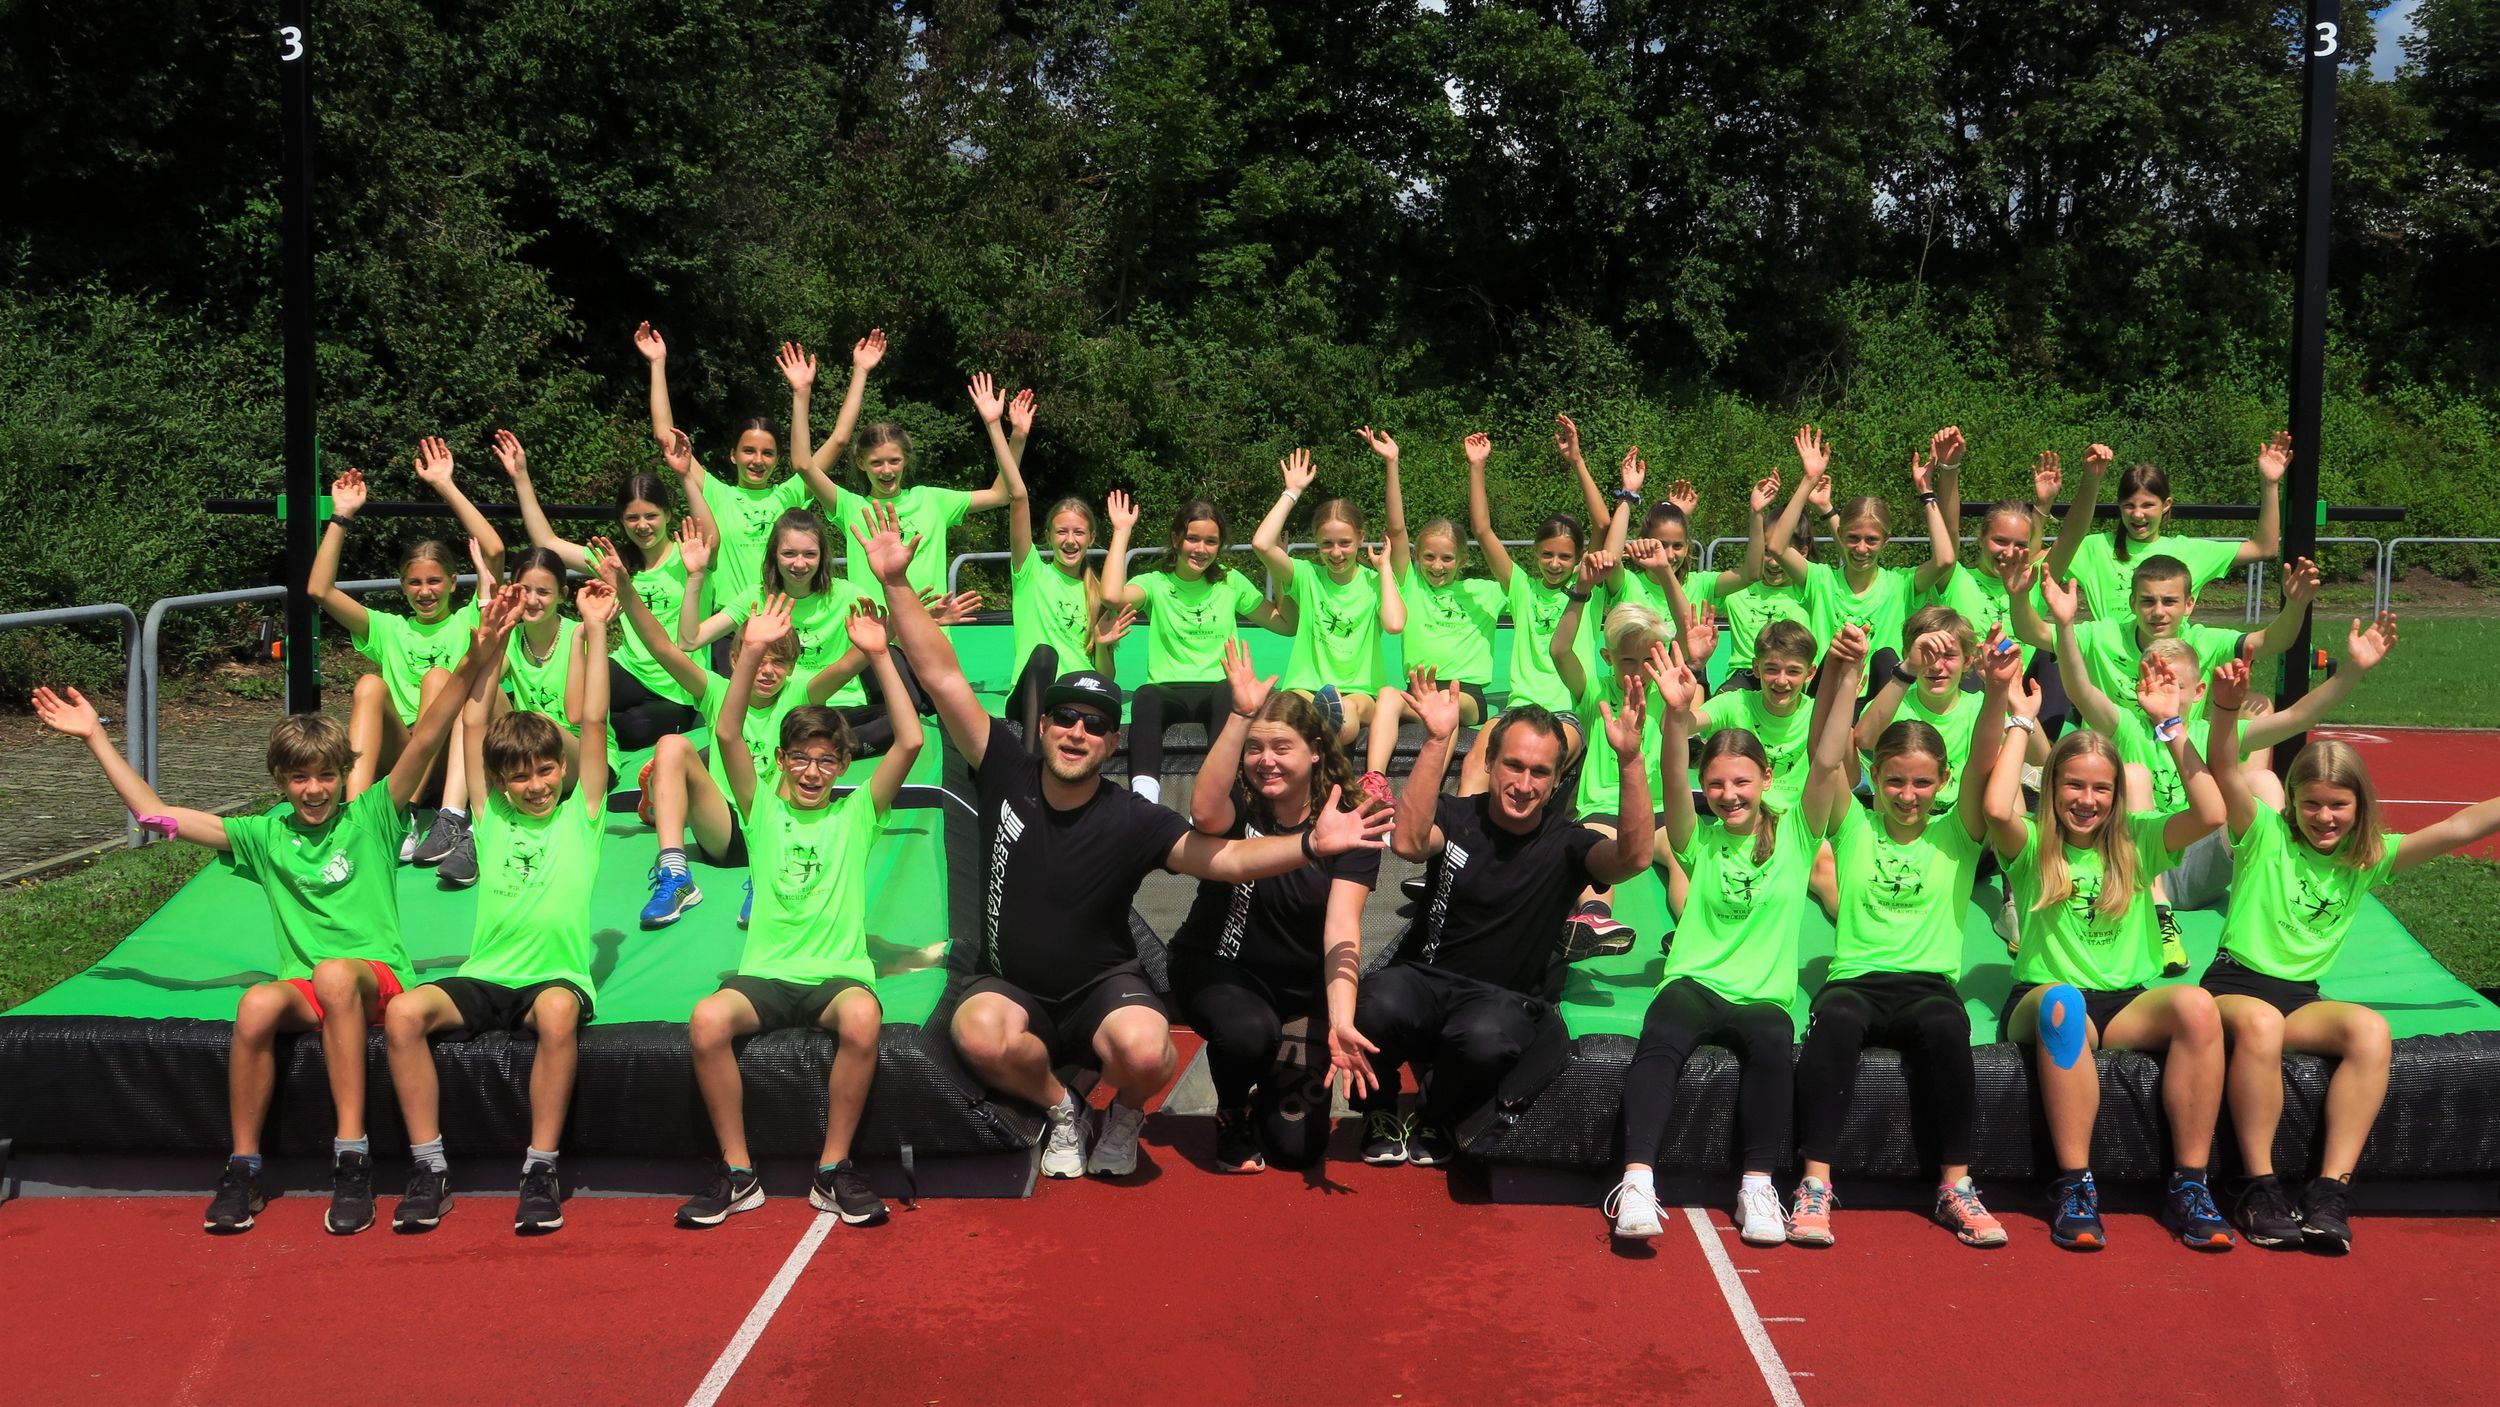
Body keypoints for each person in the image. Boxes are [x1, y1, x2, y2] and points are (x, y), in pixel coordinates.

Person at [865, 502, 1393, 1182]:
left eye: (1094, 723)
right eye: (1065, 717)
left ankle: (1124, 1113)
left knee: (1149, 1052)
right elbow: (941, 674)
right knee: (977, 1034)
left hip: (1100, 988)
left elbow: (1226, 859)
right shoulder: (1004, 767)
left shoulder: (1132, 816)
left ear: (1113, 742)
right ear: (1043, 725)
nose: (1077, 731)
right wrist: (896, 584)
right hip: (1011, 984)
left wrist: (1312, 846)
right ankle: (1064, 1107)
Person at [34, 587, 524, 1235]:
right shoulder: (266, 835)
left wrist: (476, 656)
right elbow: (154, 815)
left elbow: (431, 731)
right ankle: (244, 1167)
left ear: (343, 774)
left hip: (373, 979)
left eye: (325, 776)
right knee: (257, 1004)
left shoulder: (374, 815)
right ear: (280, 783)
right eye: (298, 779)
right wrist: (95, 736)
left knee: (333, 974)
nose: (313, 790)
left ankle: (351, 1157)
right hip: (311, 989)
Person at [674, 589, 926, 1229]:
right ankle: (738, 1172)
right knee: (706, 1020)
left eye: (826, 760)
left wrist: (880, 655)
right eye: (802, 759)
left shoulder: (857, 813)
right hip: (766, 973)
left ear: (842, 764)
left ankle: (833, 1169)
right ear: (782, 762)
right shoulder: (760, 810)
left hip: (835, 975)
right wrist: (751, 649)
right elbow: (726, 731)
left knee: (863, 1017)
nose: (813, 772)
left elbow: (910, 740)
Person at [2205, 721, 2500, 1254]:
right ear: (2293, 802)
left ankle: (2328, 1191)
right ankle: (2257, 1186)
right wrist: (2226, 708)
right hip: (2233, 986)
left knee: (2369, 1029)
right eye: (2312, 804)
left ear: (2359, 805)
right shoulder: (2263, 833)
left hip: (2299, 997)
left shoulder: (2365, 859)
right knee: (2261, 1023)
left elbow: (2458, 828)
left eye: (2338, 804)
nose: (2325, 816)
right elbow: (2224, 766)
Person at [382, 577, 617, 1235]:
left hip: (552, 978)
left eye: (545, 771)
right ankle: (429, 1166)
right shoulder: (489, 817)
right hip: (487, 974)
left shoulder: (582, 815)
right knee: (403, 1013)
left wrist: (595, 630)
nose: (536, 784)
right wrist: (496, 638)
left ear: (561, 771)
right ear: (501, 782)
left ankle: (540, 1168)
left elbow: (593, 723)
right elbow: (475, 721)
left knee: (560, 1012)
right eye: (520, 775)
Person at [1983, 653, 2236, 1251]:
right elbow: (1995, 807)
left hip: (2123, 1004)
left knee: (2199, 1006)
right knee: (2065, 1003)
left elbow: (2212, 812)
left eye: (2101, 788)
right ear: (2052, 788)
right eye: (2073, 784)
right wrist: (2020, 720)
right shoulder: (2033, 845)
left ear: (2118, 795)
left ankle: (2190, 1185)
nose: (2086, 799)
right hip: (2043, 998)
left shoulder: (2139, 840)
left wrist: (2171, 727)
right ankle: (2075, 1186)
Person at [1358, 670, 1655, 1169]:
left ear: (1557, 780)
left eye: (1539, 772)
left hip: (1501, 1002)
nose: (1523, 784)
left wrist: (1630, 761)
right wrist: (1437, 741)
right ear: (1490, 763)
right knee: (1373, 1002)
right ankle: (1380, 1110)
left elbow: (1634, 858)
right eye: (1513, 765)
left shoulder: (1568, 843)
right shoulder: (1457, 817)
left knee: (1486, 1037)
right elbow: (1408, 843)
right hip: (1426, 981)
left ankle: (1434, 1112)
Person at [1606, 640, 1843, 1246]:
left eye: (1741, 781)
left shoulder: (1798, 834)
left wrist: (1844, 680)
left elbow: (1826, 761)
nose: (1728, 794)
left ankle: (1756, 1186)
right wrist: (1675, 717)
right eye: (1715, 785)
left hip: (1762, 995)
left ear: (1767, 779)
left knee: (1773, 1045)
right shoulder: (1699, 839)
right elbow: (1671, 776)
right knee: (1660, 1035)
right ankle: (1637, 1180)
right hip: (1695, 981)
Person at [1786, 625, 2014, 1249]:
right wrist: (1849, 678)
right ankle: (1814, 1184)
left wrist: (1996, 692)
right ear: (1876, 779)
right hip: (1856, 981)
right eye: (1894, 782)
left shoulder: (1956, 833)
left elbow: (1986, 761)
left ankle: (1956, 1187)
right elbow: (1827, 756)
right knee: (1833, 1024)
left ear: (1942, 781)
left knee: (1947, 1028)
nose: (1908, 795)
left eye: (1921, 783)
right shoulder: (1854, 827)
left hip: (1926, 985)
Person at [604, 531, 897, 929]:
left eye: (779, 662)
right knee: (671, 744)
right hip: (723, 828)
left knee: (797, 756)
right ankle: (675, 874)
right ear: (736, 658)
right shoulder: (715, 690)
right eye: (759, 658)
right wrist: (624, 587)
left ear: (792, 668)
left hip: (777, 829)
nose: (768, 670)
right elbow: (663, 647)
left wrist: (893, 611)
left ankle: (766, 877)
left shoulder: (801, 691)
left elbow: (853, 661)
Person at [1170, 640, 1383, 1173]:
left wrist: (1339, 1021)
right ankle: (1232, 1109)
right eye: (1255, 749)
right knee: (1248, 1033)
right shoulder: (1240, 805)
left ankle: (1272, 1068)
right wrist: (1241, 715)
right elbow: (1203, 813)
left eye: (1282, 747)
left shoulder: (1349, 820)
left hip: (1299, 993)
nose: (1266, 761)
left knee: (1297, 1150)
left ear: (1315, 750)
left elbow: (1342, 925)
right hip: (1219, 970)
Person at [308, 444, 507, 880]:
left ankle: (411, 815)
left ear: (453, 582)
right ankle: (356, 816)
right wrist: (341, 516)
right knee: (368, 685)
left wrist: (445, 485)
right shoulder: (389, 628)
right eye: (414, 583)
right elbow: (320, 590)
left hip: (456, 757)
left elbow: (494, 550)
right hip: (405, 757)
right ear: (402, 586)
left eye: (434, 581)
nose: (425, 591)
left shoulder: (470, 618)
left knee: (438, 678)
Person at [496, 427, 711, 756]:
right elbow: (547, 542)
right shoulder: (616, 564)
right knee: (577, 697)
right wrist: (521, 477)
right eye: (632, 518)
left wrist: (686, 477)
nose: (642, 525)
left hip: (677, 686)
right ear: (622, 521)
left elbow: (711, 536)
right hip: (628, 671)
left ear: (668, 514)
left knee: (634, 727)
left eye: (651, 516)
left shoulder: (691, 557)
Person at [785, 333, 1017, 600]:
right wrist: (806, 391)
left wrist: (1005, 430)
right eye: (876, 462)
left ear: (906, 459)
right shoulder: (850, 507)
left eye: (894, 461)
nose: (886, 470)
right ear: (861, 463)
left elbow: (1002, 494)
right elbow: (803, 463)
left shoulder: (932, 500)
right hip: (873, 625)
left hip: (930, 624)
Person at [1099, 490, 1295, 804]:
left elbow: (1286, 624)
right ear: (1176, 539)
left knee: (1229, 692)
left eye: (1211, 541)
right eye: (1193, 539)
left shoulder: (1230, 582)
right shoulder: (1155, 583)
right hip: (1168, 689)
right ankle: (1144, 802)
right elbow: (1111, 596)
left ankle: (1214, 798)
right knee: (1146, 696)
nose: (1201, 549)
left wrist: (1279, 571)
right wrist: (1122, 531)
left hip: (1216, 689)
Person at [1250, 442, 1406, 794]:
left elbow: (1395, 623)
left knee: (1346, 711)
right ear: (1316, 544)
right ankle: (1318, 749)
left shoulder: (1376, 582)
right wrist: (1292, 491)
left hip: (1359, 691)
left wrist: (1383, 569)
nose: (1336, 553)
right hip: (1306, 686)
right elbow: (1261, 543)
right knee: (1293, 706)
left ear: (1361, 539)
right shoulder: (1306, 576)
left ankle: (1327, 740)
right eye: (1327, 544)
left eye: (1345, 543)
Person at [1462, 417, 1617, 770]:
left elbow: (1603, 524)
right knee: (1475, 763)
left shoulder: (1587, 586)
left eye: (1564, 556)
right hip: (1518, 708)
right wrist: (1477, 467)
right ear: (1535, 553)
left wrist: (1577, 461)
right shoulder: (1520, 588)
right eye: (1547, 554)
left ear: (1578, 558)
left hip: (1567, 710)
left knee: (1540, 765)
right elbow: (1482, 530)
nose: (1555, 563)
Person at [2011, 551, 2317, 719]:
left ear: (2189, 604)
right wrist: (2019, 596)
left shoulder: (2202, 642)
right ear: (2132, 603)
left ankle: (2243, 814)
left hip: (2176, 757)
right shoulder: (2103, 635)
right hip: (2111, 759)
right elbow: (2030, 632)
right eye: (2148, 601)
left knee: (2256, 708)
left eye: (2169, 601)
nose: (2158, 611)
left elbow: (2271, 642)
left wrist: (2296, 605)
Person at [1767, 426, 1958, 696]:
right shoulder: (1821, 580)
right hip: (1826, 699)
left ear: (1886, 541)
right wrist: (1809, 479)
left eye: (1871, 540)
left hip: (1877, 702)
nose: (1861, 548)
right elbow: (1777, 546)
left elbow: (1946, 559)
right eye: (1853, 538)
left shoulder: (1899, 585)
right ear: (1840, 535)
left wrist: (1927, 493)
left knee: (1885, 658)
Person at [1548, 560, 1670, 957]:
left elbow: (1688, 656)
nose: (1639, 671)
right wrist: (1581, 591)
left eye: (1648, 660)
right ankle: (1595, 918)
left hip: (1657, 809)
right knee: (1594, 852)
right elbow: (1559, 650)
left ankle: (1691, 931)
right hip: (1602, 807)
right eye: (1628, 660)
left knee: (1687, 859)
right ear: (1608, 657)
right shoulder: (1593, 693)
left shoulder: (1667, 695)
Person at [977, 373, 1110, 734]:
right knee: (1044, 656)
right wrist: (1008, 433)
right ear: (1048, 536)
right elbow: (1017, 496)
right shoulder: (1031, 572)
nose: (1070, 540)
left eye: (1078, 532)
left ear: (1091, 538)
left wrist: (1104, 646)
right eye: (1062, 531)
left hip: (1077, 695)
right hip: (1032, 695)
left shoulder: (1098, 592)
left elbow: (1105, 674)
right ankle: (1032, 761)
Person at [2043, 435, 2288, 623]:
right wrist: (2090, 480)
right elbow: (2037, 562)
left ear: (2166, 504)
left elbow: (2264, 548)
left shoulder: (2188, 551)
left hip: (2169, 667)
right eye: (2129, 505)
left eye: (2148, 505)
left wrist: (2270, 484)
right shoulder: (2095, 549)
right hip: (2109, 668)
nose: (2137, 514)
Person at [1371, 432, 1507, 761]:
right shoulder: (1410, 585)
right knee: (1387, 695)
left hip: (1465, 695)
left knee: (1445, 706)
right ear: (1417, 556)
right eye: (1429, 557)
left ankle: (1431, 785)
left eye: (1447, 558)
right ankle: (1374, 777)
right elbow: (1397, 529)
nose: (1437, 566)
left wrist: (1477, 468)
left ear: (1463, 560)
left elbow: (1485, 531)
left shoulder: (1486, 592)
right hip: (1418, 690)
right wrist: (1391, 463)